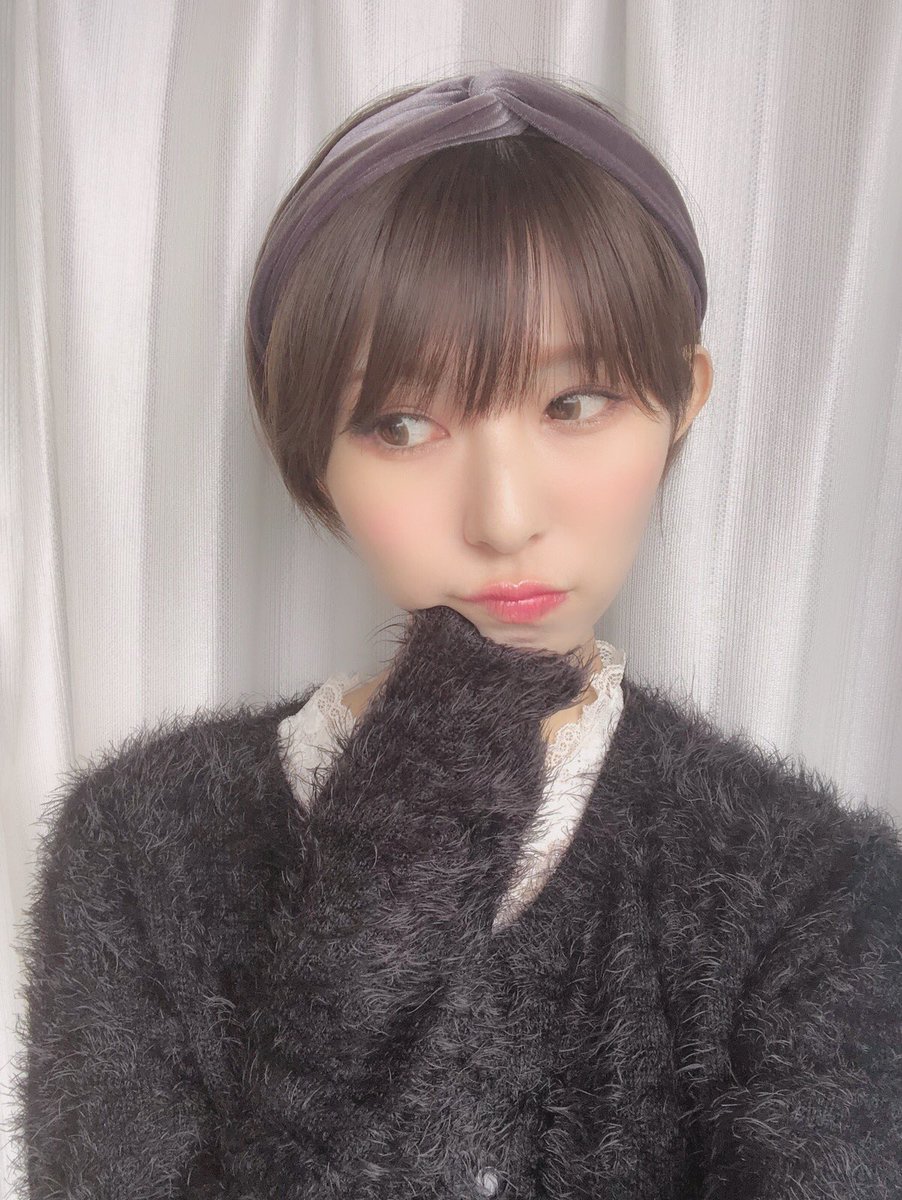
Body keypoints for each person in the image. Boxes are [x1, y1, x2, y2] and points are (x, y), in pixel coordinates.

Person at [9, 68, 901, 1199]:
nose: (503, 518)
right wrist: (403, 849)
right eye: (401, 423)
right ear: (305, 447)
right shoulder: (136, 845)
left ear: (683, 400)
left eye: (574, 404)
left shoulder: (814, 890)